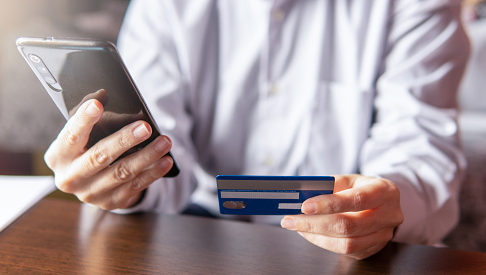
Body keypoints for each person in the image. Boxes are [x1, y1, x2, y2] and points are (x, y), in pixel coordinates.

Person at [44, 0, 470, 259]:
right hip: (198, 233)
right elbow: (162, 145)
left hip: (354, 254)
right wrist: (126, 177)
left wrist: (384, 204)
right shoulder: (165, 7)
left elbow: (419, 140)